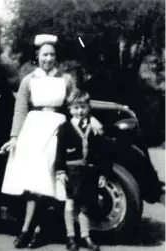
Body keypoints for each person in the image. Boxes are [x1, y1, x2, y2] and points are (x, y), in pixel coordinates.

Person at [0, 34, 103, 249]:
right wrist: (14, 138)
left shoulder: (65, 79)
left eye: (52, 55)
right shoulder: (29, 80)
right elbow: (20, 110)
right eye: (44, 54)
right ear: (37, 56)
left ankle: (49, 232)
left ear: (56, 57)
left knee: (55, 184)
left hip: (58, 131)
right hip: (34, 131)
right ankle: (26, 231)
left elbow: (78, 101)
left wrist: (91, 118)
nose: (48, 58)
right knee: (35, 184)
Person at [56, 90, 112, 251]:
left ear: (88, 107)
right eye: (76, 108)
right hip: (72, 171)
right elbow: (59, 151)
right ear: (69, 109)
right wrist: (60, 171)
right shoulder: (65, 128)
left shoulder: (95, 127)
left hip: (89, 172)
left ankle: (86, 237)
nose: (80, 111)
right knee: (70, 203)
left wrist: (103, 173)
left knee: (85, 205)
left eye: (83, 107)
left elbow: (103, 153)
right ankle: (70, 237)